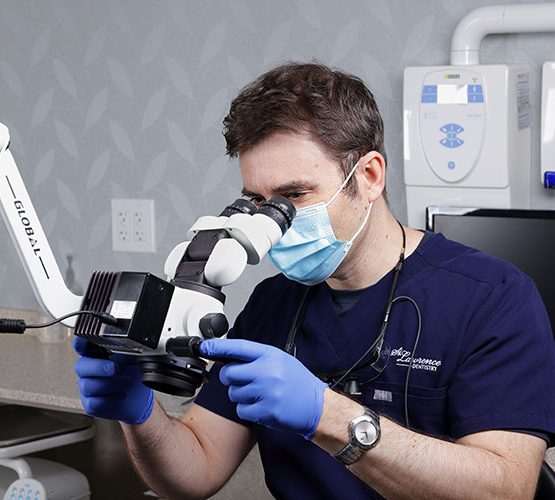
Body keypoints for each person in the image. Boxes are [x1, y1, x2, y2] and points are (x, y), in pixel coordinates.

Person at [73, 62, 555, 499]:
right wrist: (138, 414)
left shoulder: (493, 298)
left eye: (293, 196)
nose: (274, 221)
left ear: (369, 176)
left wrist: (329, 415)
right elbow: (196, 469)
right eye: (257, 202)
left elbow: (505, 490)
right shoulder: (272, 303)